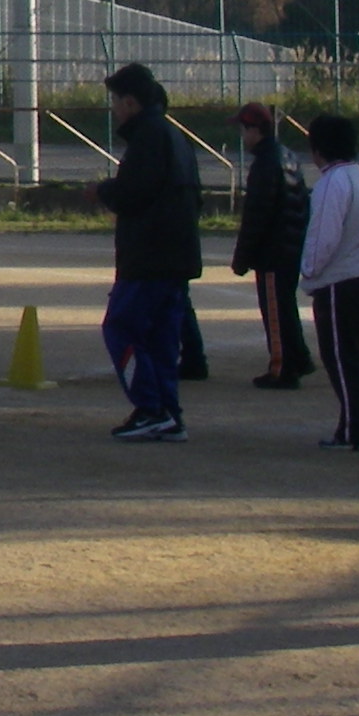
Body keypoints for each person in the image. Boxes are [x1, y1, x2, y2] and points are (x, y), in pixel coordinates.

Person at [92, 63, 201, 442]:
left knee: (120, 327)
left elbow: (133, 193)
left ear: (131, 102)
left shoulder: (148, 138)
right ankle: (168, 412)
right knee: (161, 339)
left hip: (148, 257)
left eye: (116, 101)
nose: (114, 110)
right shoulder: (174, 135)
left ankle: (151, 407)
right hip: (176, 257)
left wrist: (104, 191)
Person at [298, 112, 359, 450]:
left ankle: (356, 428)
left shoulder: (331, 183)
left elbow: (324, 235)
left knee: (341, 357)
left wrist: (310, 271)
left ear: (318, 149)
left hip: (341, 280)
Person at [232, 102, 313, 388]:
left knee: (275, 312)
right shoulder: (287, 155)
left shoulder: (265, 164)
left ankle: (283, 367)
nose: (243, 136)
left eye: (244, 129)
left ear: (255, 130)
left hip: (272, 251)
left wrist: (242, 257)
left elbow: (257, 215)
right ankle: (298, 356)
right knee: (285, 305)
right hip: (289, 246)